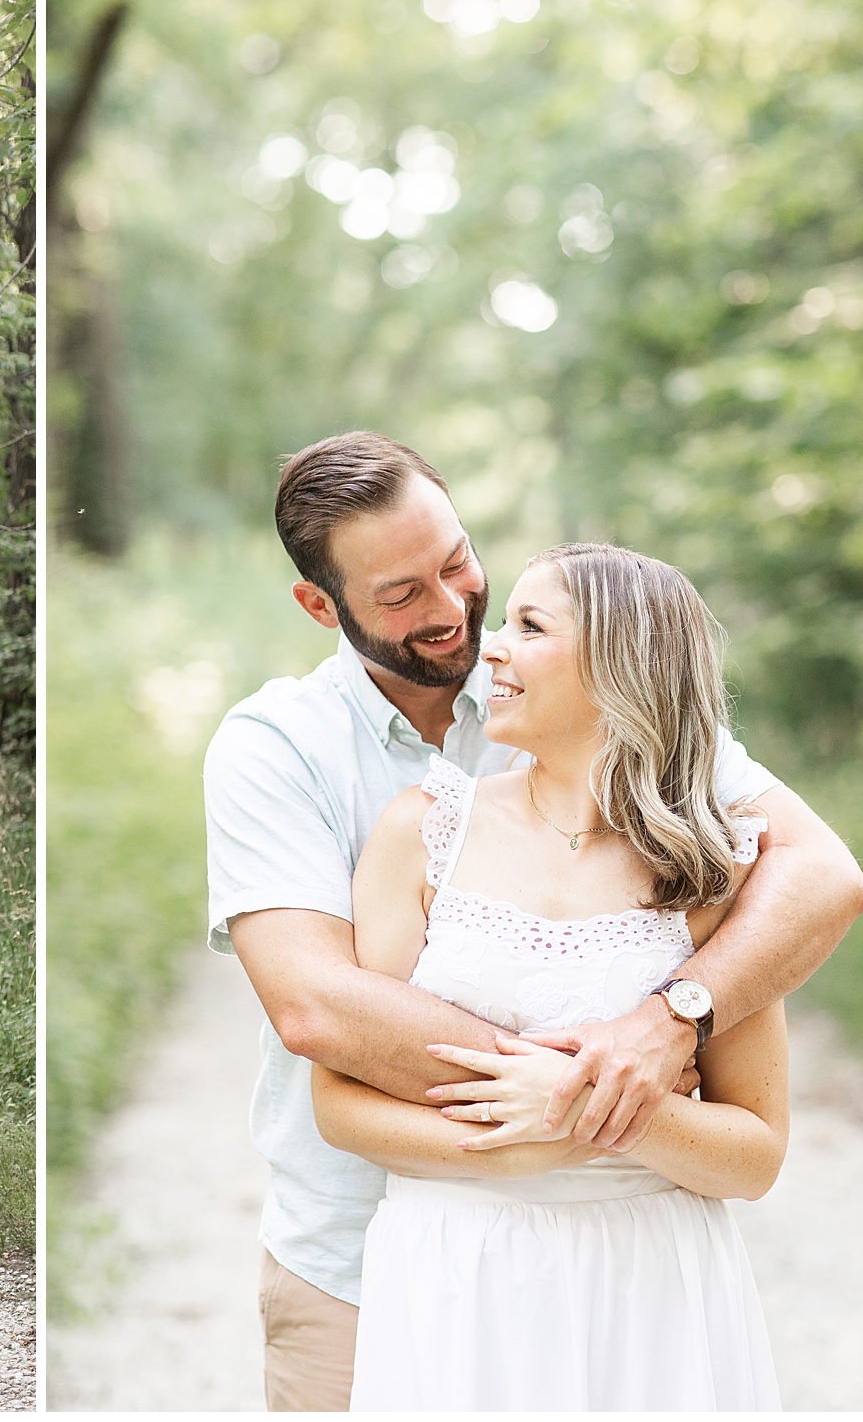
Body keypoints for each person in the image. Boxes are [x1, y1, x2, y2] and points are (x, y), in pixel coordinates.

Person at [203, 433, 863, 1410]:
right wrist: (580, 1097)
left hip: (635, 1278)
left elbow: (820, 875)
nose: (452, 613)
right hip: (366, 1263)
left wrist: (667, 1020)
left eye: (456, 561)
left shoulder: (566, 692)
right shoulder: (282, 751)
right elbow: (314, 1012)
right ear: (320, 606)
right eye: (399, 594)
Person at [315, 543, 785, 1409]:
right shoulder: (422, 833)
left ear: (620, 665)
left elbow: (755, 1156)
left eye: (529, 627)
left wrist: (596, 1109)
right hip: (456, 1268)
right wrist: (543, 1137)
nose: (489, 645)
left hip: (652, 1283)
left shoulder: (712, 864)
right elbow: (339, 1105)